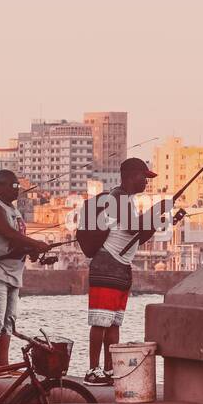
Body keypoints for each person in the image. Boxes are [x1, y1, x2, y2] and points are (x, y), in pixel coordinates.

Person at [83, 158, 167, 385]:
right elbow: (134, 227)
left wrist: (157, 219)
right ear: (131, 176)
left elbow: (137, 237)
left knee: (113, 323)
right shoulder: (118, 197)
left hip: (120, 268)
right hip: (107, 265)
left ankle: (110, 371)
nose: (146, 183)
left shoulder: (127, 201)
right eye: (144, 177)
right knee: (100, 321)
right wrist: (155, 212)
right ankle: (93, 370)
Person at [0, 170, 50, 367]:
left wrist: (32, 250)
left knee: (8, 321)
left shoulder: (13, 211)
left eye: (18, 186)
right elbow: (8, 233)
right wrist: (34, 243)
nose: (17, 190)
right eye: (13, 186)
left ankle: (4, 364)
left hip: (12, 273)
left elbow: (15, 242)